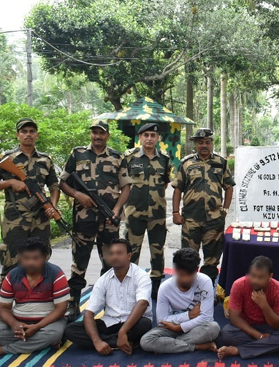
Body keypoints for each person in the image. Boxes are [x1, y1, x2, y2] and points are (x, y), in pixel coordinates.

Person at [60, 119, 130, 320]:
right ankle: (74, 302)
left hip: (109, 219)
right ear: (90, 134)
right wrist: (77, 195)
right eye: (94, 132)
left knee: (111, 262)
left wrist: (116, 210)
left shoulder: (117, 157)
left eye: (101, 132)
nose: (97, 136)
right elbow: (63, 182)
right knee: (79, 262)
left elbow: (125, 187)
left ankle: (108, 301)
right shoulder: (77, 154)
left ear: (107, 135)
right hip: (84, 218)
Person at [0, 118, 60, 285]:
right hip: (15, 220)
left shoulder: (45, 160)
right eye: (24, 131)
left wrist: (52, 206)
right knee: (12, 260)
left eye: (32, 131)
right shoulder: (7, 160)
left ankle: (38, 298)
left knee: (41, 259)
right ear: (18, 135)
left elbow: (54, 185)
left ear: (37, 135)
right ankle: (8, 302)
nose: (28, 135)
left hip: (40, 219)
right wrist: (10, 182)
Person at [0, 237, 69, 359]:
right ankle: (39, 343)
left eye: (35, 258)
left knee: (53, 334)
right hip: (20, 323)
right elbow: (3, 308)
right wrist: (14, 324)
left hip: (48, 324)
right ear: (20, 258)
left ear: (45, 257)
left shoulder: (56, 274)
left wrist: (37, 327)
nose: (30, 262)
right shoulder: (12, 275)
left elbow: (61, 309)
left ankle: (4, 350)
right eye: (26, 258)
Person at [64, 239, 152, 355]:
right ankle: (118, 342)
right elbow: (89, 313)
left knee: (145, 324)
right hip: (110, 322)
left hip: (133, 323)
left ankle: (117, 339)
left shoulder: (141, 276)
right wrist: (97, 341)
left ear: (129, 256)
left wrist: (123, 331)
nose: (115, 257)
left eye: (119, 253)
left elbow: (142, 304)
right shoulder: (103, 280)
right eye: (111, 253)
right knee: (71, 330)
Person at [172, 128, 235, 284]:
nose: (204, 145)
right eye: (200, 143)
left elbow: (229, 187)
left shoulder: (221, 163)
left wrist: (225, 209)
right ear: (195, 144)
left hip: (214, 219)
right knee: (187, 256)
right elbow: (178, 188)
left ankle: (207, 289)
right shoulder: (186, 163)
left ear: (212, 143)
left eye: (207, 142)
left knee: (212, 258)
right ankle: (187, 288)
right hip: (190, 218)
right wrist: (175, 212)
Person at [122, 123, 171, 298]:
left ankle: (156, 283)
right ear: (140, 137)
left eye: (153, 135)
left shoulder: (164, 159)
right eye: (146, 135)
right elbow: (123, 183)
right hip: (134, 213)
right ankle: (131, 283)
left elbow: (165, 182)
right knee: (131, 250)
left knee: (157, 250)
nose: (149, 138)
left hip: (157, 214)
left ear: (158, 138)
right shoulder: (129, 157)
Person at [140, 248, 219, 354]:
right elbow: (162, 320)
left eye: (190, 275)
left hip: (195, 327)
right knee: (146, 341)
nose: (185, 279)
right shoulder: (165, 287)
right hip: (171, 328)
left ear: (196, 270)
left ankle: (168, 345)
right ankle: (197, 346)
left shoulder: (205, 281)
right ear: (175, 270)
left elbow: (207, 317)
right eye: (182, 275)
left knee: (213, 328)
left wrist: (179, 328)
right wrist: (188, 315)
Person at [217, 256, 279, 360]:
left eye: (260, 277)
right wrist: (259, 336)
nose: (255, 280)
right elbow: (234, 318)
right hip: (245, 327)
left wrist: (264, 305)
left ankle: (237, 350)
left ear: (270, 276)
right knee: (225, 334)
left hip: (269, 327)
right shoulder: (239, 285)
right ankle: (265, 345)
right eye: (252, 276)